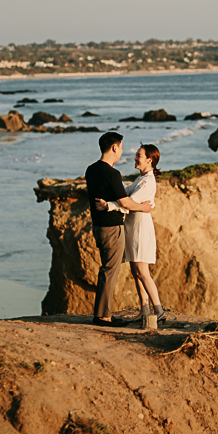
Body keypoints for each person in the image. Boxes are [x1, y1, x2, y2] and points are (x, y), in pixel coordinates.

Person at [84, 132, 153, 327]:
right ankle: (103, 317)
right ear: (114, 148)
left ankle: (103, 314)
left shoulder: (91, 169)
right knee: (109, 271)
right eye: (121, 147)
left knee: (107, 269)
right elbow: (125, 201)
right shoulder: (112, 173)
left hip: (98, 225)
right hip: (112, 227)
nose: (122, 151)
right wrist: (143, 207)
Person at [95, 143, 166, 330]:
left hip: (141, 229)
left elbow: (130, 203)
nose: (135, 158)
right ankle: (144, 310)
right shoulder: (141, 178)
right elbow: (124, 194)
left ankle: (159, 311)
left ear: (149, 160)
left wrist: (108, 206)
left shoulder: (148, 180)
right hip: (133, 227)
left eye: (138, 156)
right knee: (136, 272)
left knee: (143, 271)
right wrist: (111, 194)